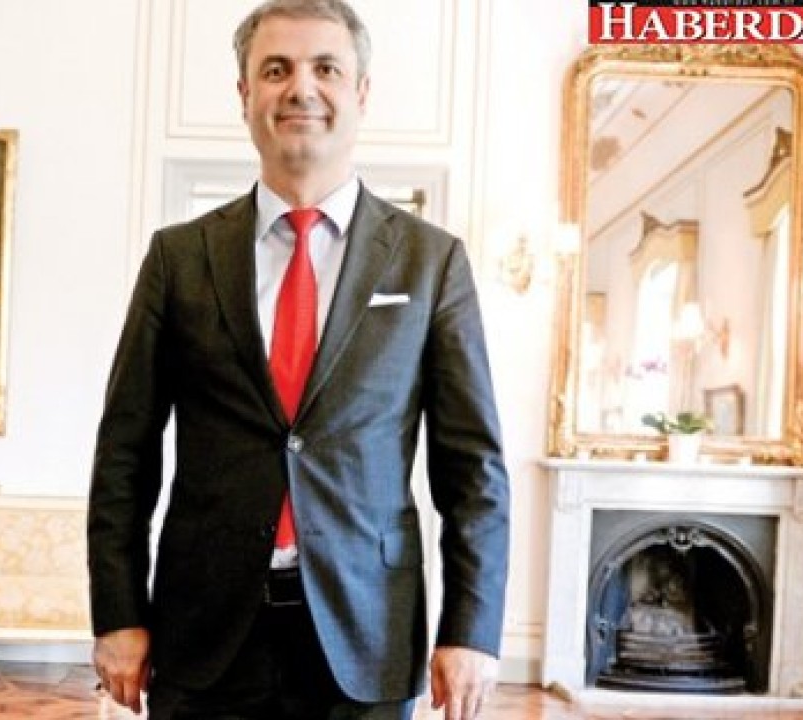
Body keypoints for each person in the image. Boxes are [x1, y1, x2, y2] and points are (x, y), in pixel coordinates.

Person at [87, 1, 510, 718]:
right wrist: (118, 613)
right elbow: (124, 454)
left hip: (366, 634)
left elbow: (474, 469)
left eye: (326, 68)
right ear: (245, 93)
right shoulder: (178, 259)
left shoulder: (431, 262)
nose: (300, 88)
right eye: (276, 70)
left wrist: (471, 629)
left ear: (362, 92)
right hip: (203, 633)